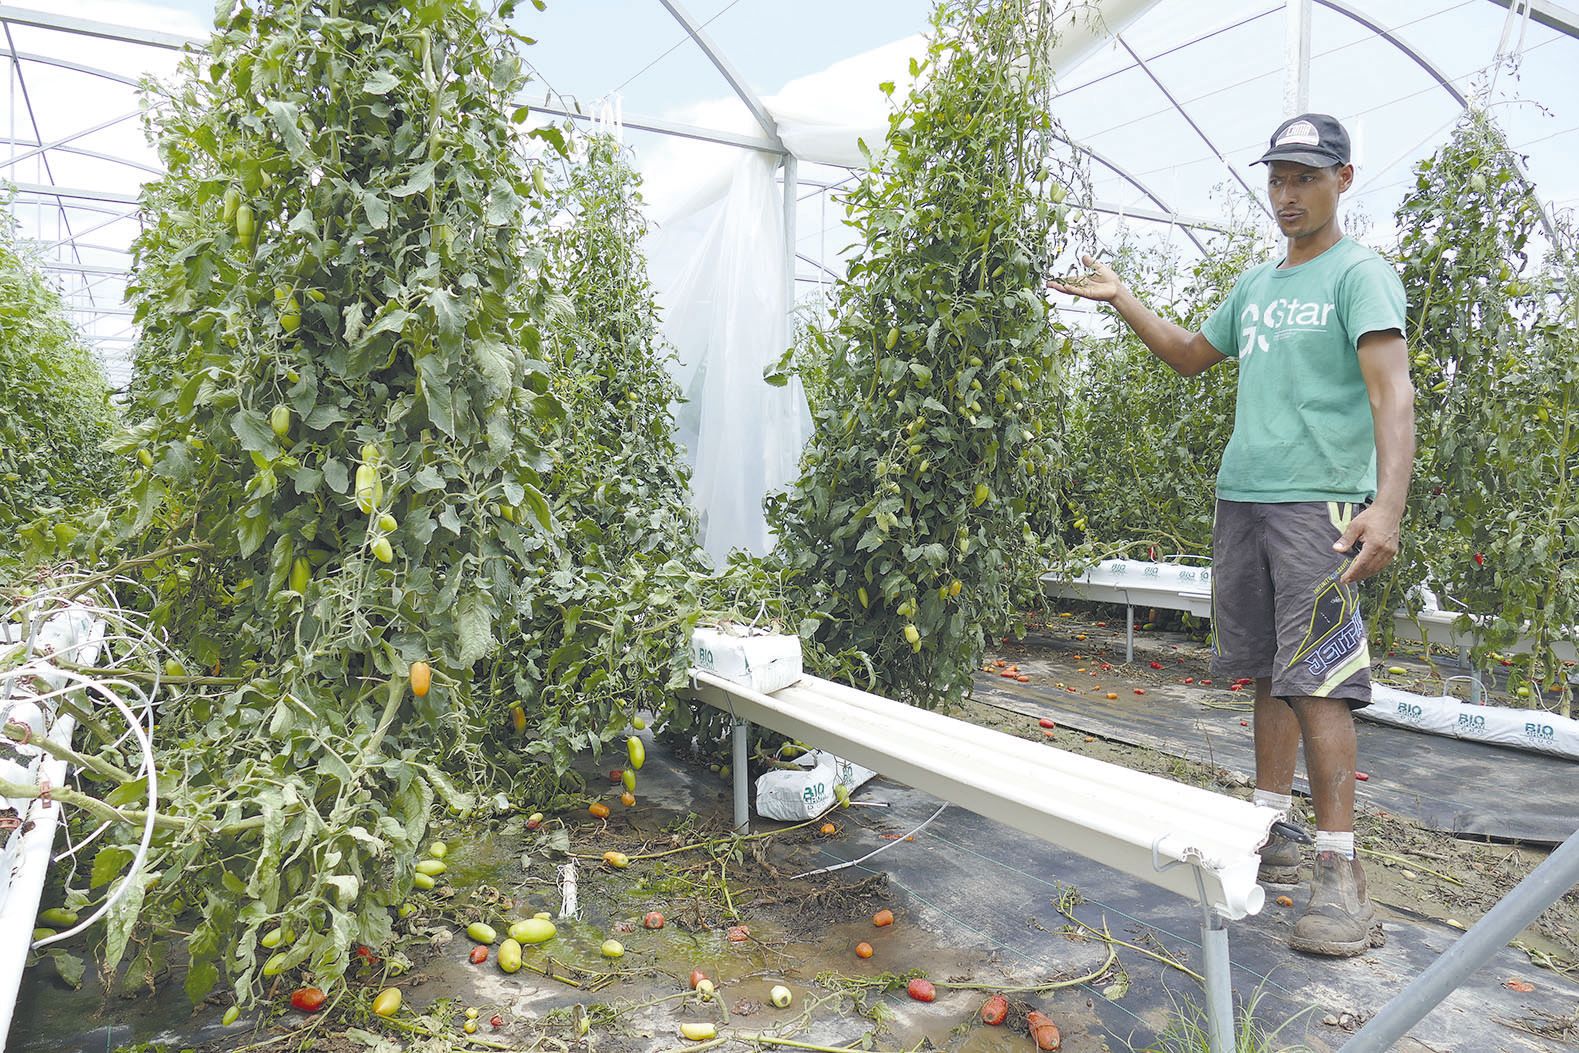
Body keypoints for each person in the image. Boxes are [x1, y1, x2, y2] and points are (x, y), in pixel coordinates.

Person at [1049, 113, 1415, 958]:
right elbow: (1186, 354)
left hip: (1317, 502)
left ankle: (1338, 872)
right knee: (1269, 671)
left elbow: (1390, 391)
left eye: (1305, 178)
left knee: (1319, 677)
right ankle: (1268, 826)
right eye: (1278, 179)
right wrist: (1123, 298)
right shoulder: (1255, 285)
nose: (1287, 195)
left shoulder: (1359, 275)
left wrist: (1384, 505)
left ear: (1342, 180)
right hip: (1242, 497)